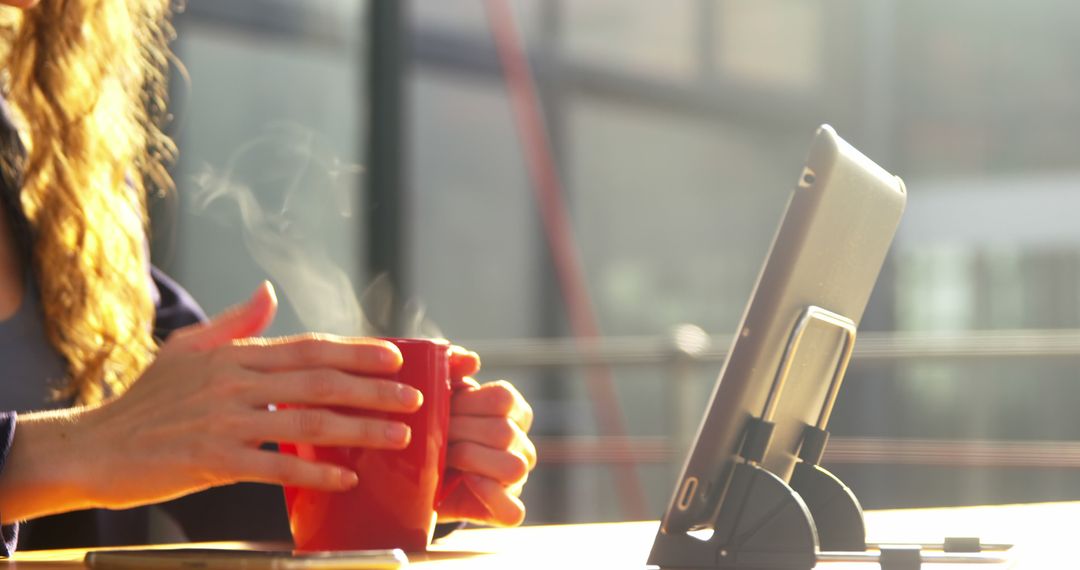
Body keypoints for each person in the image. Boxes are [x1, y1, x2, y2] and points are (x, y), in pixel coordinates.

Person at [0, 0, 536, 554]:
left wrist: (401, 470)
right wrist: (89, 446)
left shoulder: (55, 172)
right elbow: (127, 437)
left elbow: (211, 476)